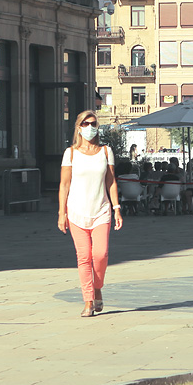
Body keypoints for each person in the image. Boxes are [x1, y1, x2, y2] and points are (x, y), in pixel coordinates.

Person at [58, 110, 123, 318]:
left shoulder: (105, 151)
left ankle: (97, 287)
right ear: (78, 127)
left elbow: (111, 181)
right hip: (76, 211)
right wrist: (61, 213)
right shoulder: (70, 153)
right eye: (85, 124)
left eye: (93, 123)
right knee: (84, 256)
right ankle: (88, 301)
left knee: (100, 254)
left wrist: (117, 208)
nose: (89, 127)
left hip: (101, 210)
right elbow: (64, 184)